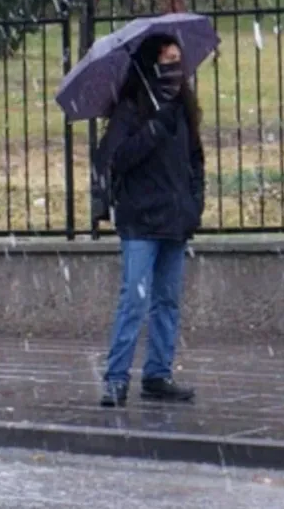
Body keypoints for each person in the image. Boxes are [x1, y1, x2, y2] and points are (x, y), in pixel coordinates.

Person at [94, 33, 205, 408]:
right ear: (150, 65)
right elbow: (117, 158)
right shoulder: (131, 110)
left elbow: (195, 162)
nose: (175, 67)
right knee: (134, 301)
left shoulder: (183, 110)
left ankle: (158, 374)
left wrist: (194, 205)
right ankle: (116, 378)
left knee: (168, 301)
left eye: (179, 59)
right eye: (167, 59)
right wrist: (154, 128)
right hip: (140, 220)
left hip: (175, 219)